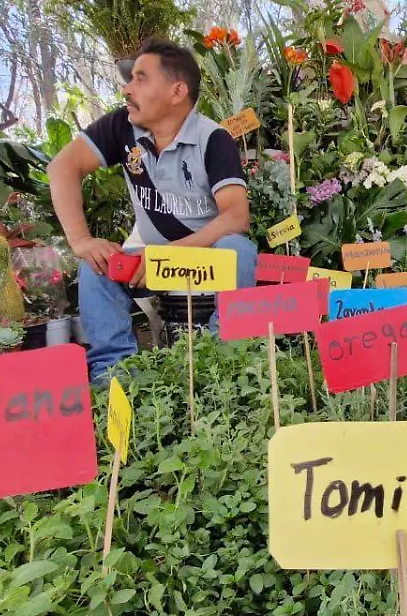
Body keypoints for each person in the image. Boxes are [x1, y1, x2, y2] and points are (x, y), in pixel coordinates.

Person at [48, 38, 257, 383]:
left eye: (141, 78)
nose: (127, 88)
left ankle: (228, 362)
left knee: (239, 251)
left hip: (204, 257)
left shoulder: (213, 138)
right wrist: (81, 240)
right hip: (150, 262)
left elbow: (236, 218)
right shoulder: (121, 127)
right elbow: (62, 167)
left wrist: (168, 255)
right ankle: (114, 377)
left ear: (177, 91)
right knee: (96, 268)